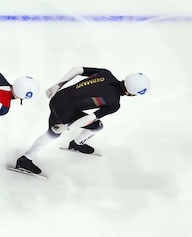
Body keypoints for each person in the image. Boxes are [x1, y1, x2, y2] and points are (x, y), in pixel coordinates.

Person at [13, 67, 150, 176]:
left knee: (52, 132)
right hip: (65, 111)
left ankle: (26, 158)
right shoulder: (114, 104)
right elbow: (90, 118)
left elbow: (78, 69)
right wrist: (67, 127)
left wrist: (57, 86)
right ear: (133, 94)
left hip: (57, 98)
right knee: (96, 126)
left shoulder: (106, 73)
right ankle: (76, 143)